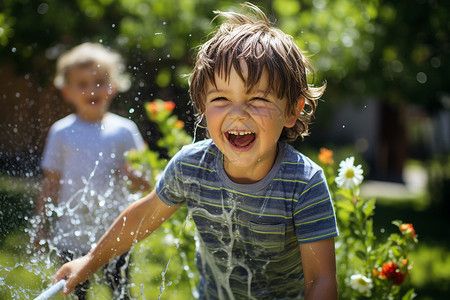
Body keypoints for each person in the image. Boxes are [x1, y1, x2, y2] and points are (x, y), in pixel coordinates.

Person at [54, 3, 338, 299]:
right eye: (221, 99)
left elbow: (321, 280)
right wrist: (89, 261)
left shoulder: (303, 184)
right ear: (202, 107)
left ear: (292, 111)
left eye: (257, 99)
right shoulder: (192, 166)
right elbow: (143, 216)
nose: (237, 113)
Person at [34, 42, 150, 300]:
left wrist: (134, 176)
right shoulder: (61, 132)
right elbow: (51, 182)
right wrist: (41, 225)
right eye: (82, 83)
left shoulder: (124, 130)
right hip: (71, 234)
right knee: (76, 293)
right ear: (67, 91)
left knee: (120, 291)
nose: (92, 89)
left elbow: (147, 184)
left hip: (114, 233)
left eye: (99, 81)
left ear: (114, 85)